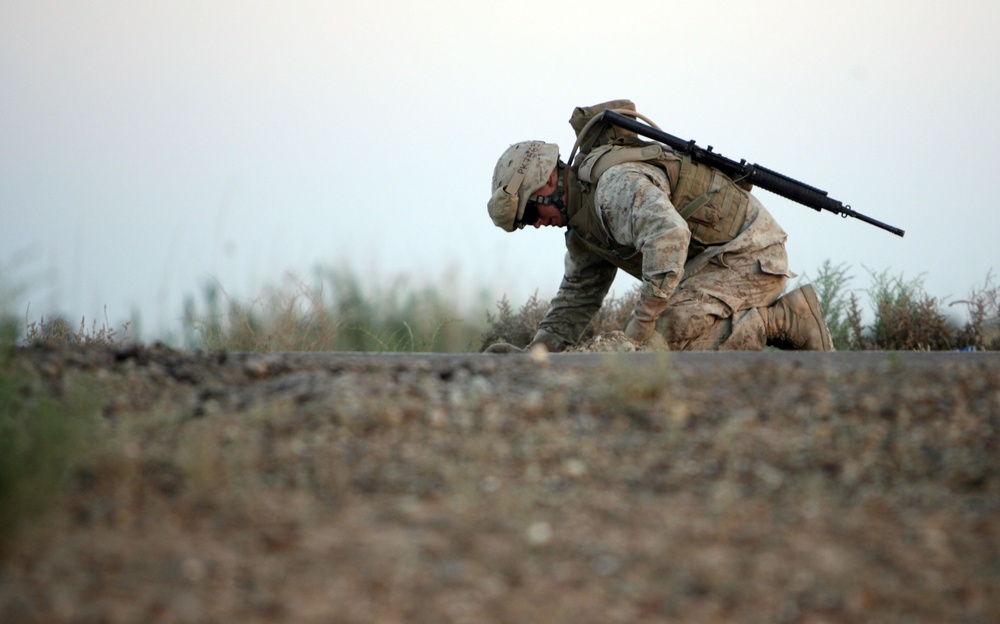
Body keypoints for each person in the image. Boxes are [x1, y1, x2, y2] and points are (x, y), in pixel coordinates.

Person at [484, 100, 833, 353]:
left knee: (667, 341)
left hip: (750, 253)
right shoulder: (583, 227)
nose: (533, 225)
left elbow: (670, 234)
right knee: (655, 344)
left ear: (547, 183)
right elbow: (578, 295)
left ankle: (786, 319)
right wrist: (537, 353)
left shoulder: (613, 187)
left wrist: (637, 332)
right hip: (710, 264)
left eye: (529, 214)